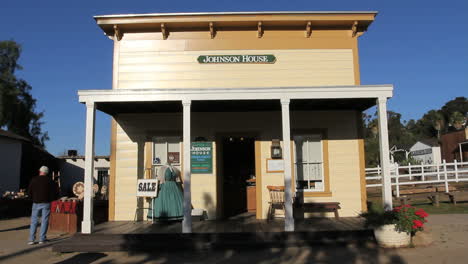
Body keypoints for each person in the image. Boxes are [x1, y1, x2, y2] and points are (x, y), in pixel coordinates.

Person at [27, 166, 59, 245]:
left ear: (39, 171)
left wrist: (32, 198)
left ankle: (31, 239)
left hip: (36, 203)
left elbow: (29, 192)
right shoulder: (50, 181)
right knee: (44, 221)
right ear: (47, 173)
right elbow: (55, 193)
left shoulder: (34, 180)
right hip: (46, 203)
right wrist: (52, 199)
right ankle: (42, 239)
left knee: (34, 221)